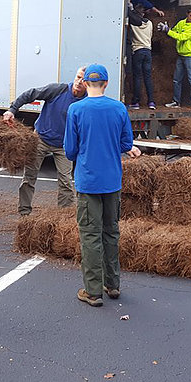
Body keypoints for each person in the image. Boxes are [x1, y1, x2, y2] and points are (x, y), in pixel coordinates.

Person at [63, 64, 140, 307]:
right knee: (111, 231)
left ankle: (93, 291)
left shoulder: (76, 109)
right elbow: (126, 142)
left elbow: (70, 150)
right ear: (106, 84)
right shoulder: (118, 108)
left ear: (85, 84)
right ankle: (113, 284)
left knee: (90, 235)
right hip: (112, 181)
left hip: (88, 182)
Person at [4, 67, 87, 216]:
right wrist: (12, 110)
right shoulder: (57, 90)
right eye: (78, 77)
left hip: (63, 146)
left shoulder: (87, 102)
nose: (79, 82)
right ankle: (24, 213)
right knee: (29, 178)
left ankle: (64, 216)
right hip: (40, 139)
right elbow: (31, 93)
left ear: (89, 84)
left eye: (83, 79)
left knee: (66, 182)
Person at [127, 5, 166, 110]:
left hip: (138, 51)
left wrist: (129, 7)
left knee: (138, 77)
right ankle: (151, 102)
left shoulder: (134, 24)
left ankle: (136, 102)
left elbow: (131, 18)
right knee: (148, 77)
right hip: (148, 51)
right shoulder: (149, 23)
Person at [165, 7, 191, 110]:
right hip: (181, 55)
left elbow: (182, 37)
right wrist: (167, 29)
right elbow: (174, 31)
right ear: (187, 14)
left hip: (190, 55)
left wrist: (168, 31)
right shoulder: (181, 23)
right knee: (176, 79)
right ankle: (176, 102)